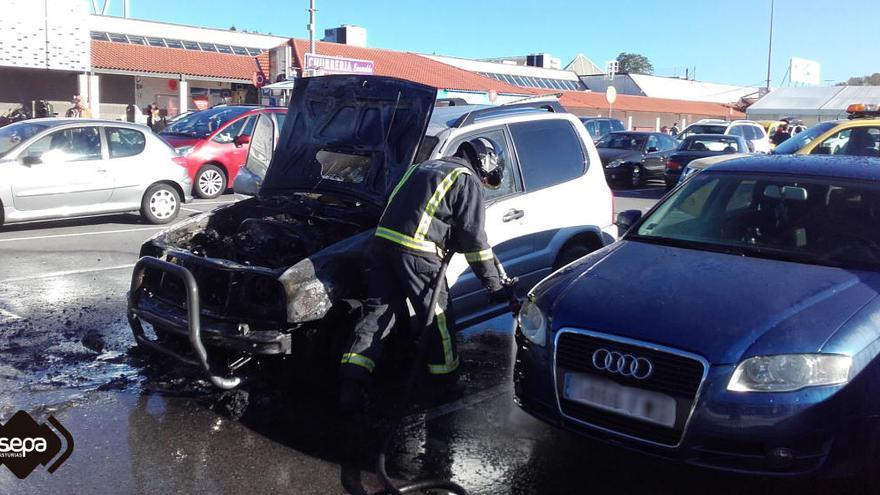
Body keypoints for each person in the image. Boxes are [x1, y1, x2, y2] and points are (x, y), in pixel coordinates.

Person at [338, 138, 515, 413]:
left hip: (382, 247)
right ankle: (444, 384)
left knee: (377, 315)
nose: (484, 180)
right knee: (438, 319)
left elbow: (398, 205)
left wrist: (446, 233)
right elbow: (474, 240)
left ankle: (352, 383)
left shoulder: (421, 167)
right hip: (418, 255)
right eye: (487, 175)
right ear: (485, 161)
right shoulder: (466, 178)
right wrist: (493, 285)